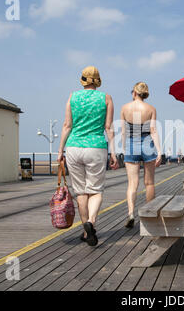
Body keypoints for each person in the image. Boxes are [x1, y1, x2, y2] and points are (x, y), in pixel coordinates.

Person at [57, 66, 118, 246]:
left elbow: (67, 125)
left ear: (82, 80)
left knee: (81, 191)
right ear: (98, 81)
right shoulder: (106, 98)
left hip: (74, 147)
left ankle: (86, 231)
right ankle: (91, 222)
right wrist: (113, 152)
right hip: (96, 147)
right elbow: (109, 128)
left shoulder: (72, 97)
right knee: (96, 190)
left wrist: (60, 150)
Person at [121, 82, 162, 228]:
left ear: (134, 93)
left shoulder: (125, 108)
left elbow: (124, 132)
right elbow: (153, 131)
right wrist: (159, 151)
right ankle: (149, 215)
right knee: (149, 183)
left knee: (132, 184)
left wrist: (125, 148)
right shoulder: (151, 109)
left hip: (132, 144)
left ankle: (131, 213)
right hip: (147, 145)